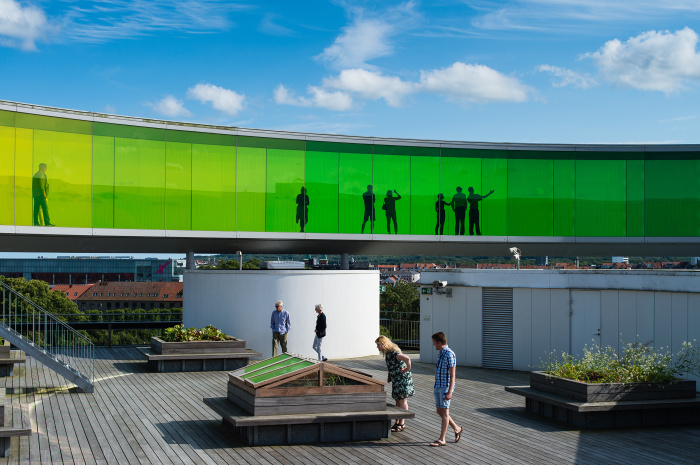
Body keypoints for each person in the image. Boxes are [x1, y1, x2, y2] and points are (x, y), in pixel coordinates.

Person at [430, 331, 463, 447]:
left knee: (444, 412)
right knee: (439, 411)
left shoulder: (449, 354)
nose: (433, 344)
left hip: (445, 387)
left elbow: (453, 375)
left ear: (439, 343)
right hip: (438, 385)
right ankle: (457, 428)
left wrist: (449, 392)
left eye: (434, 342)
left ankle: (442, 439)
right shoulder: (440, 353)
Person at [375, 335, 414, 432]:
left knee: (402, 400)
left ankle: (402, 423)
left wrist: (407, 369)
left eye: (379, 345)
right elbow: (392, 366)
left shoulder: (392, 353)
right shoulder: (388, 353)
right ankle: (397, 422)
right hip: (397, 379)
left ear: (384, 344)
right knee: (397, 400)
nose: (377, 347)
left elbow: (407, 358)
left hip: (402, 380)